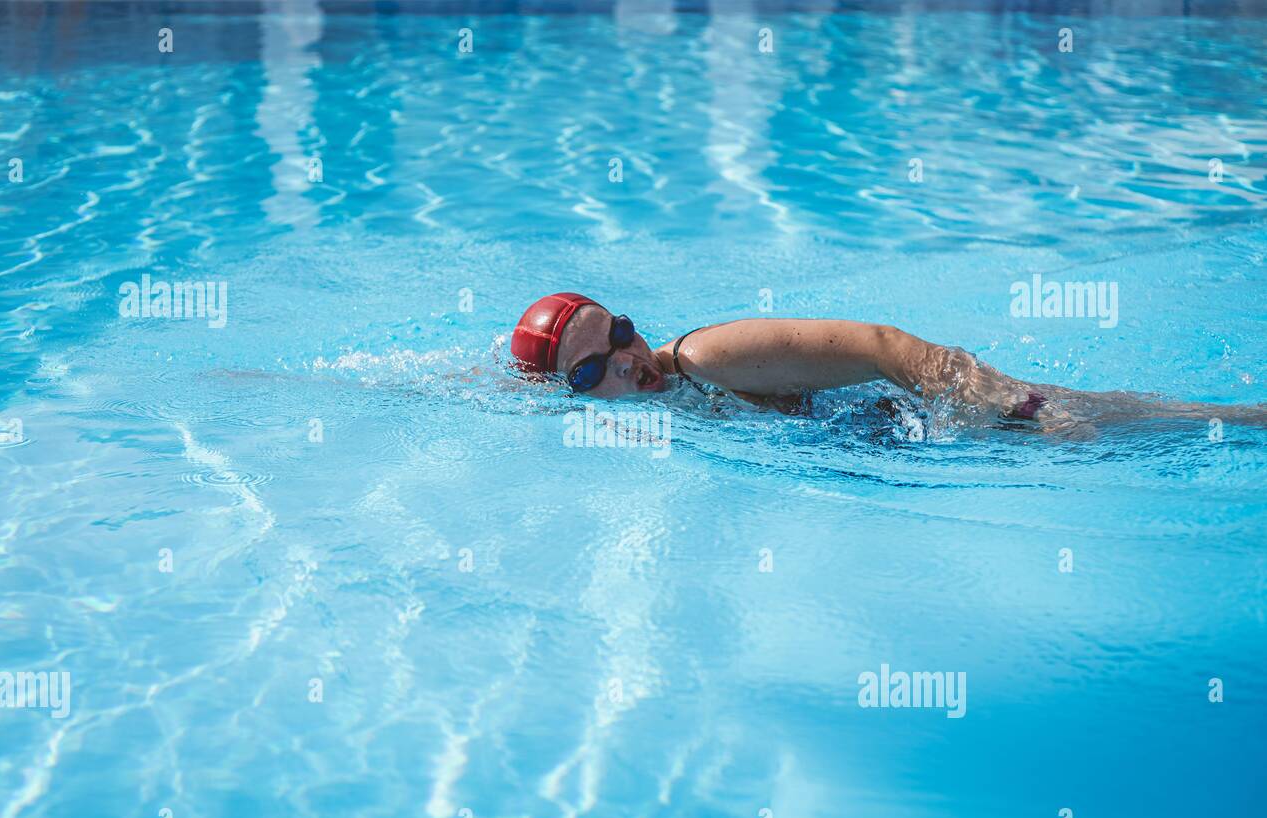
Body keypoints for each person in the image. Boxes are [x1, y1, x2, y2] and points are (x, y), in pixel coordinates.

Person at [509, 292, 1266, 432]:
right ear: (568, 399)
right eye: (590, 372)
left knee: (1187, 424)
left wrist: (1020, 408)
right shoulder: (667, 411)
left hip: (955, 417)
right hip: (900, 433)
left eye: (620, 333)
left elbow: (883, 346)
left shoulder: (706, 356)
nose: (625, 360)